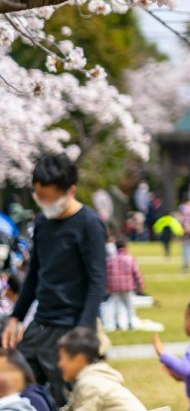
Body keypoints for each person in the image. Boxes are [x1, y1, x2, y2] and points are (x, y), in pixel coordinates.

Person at [3, 155, 107, 409]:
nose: (44, 202)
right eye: (39, 196)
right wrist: (16, 318)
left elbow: (97, 281)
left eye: (49, 197)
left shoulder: (89, 224)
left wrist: (83, 332)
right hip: (41, 324)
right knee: (15, 385)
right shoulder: (43, 222)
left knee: (66, 399)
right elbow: (34, 275)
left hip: (71, 327)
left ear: (70, 191)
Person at [55, 328, 146, 411]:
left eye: (63, 359)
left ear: (80, 359)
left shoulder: (90, 384)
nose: (60, 364)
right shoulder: (94, 378)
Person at [102, 239, 143, 332]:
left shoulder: (110, 259)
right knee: (129, 305)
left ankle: (117, 324)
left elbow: (106, 273)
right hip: (127, 286)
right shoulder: (129, 258)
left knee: (116, 305)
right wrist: (140, 285)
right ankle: (130, 323)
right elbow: (136, 272)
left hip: (114, 286)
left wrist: (107, 286)